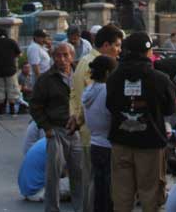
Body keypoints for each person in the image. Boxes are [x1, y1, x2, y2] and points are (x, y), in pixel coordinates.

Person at [106, 32, 176, 212]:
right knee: (151, 195)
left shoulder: (114, 77)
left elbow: (110, 106)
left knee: (121, 197)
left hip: (121, 141)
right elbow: (169, 109)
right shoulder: (160, 79)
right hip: (150, 143)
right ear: (147, 52)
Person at [70, 24, 124, 212]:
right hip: (96, 134)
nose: (119, 50)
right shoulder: (98, 66)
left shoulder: (85, 60)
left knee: (92, 181)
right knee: (96, 185)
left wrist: (75, 119)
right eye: (117, 45)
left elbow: (76, 96)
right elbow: (97, 99)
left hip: (88, 132)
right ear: (106, 45)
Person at [30, 42, 83, 212]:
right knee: (53, 174)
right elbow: (35, 106)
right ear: (53, 57)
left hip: (77, 130)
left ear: (72, 56)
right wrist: (47, 128)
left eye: (65, 55)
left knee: (79, 173)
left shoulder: (80, 74)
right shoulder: (45, 79)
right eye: (58, 56)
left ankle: (80, 207)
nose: (62, 59)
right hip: (56, 129)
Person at [82, 55, 118, 212]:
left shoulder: (89, 90)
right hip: (108, 145)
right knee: (109, 190)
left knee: (99, 187)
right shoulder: (107, 90)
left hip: (94, 143)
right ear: (108, 73)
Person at [0, 28, 23, 115]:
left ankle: (0, 110)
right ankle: (12, 109)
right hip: (11, 70)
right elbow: (19, 54)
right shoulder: (12, 42)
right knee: (12, 89)